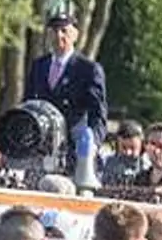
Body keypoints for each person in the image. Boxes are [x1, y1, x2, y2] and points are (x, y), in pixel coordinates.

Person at [21, 10, 108, 173]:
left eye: (64, 30)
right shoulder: (39, 66)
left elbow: (99, 115)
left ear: (75, 34)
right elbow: (28, 106)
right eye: (54, 31)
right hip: (42, 150)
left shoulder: (88, 70)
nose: (58, 35)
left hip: (73, 151)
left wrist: (92, 144)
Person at [99, 120, 151, 186]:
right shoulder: (106, 164)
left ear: (142, 145)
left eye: (132, 148)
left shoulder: (148, 166)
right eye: (124, 147)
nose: (128, 152)